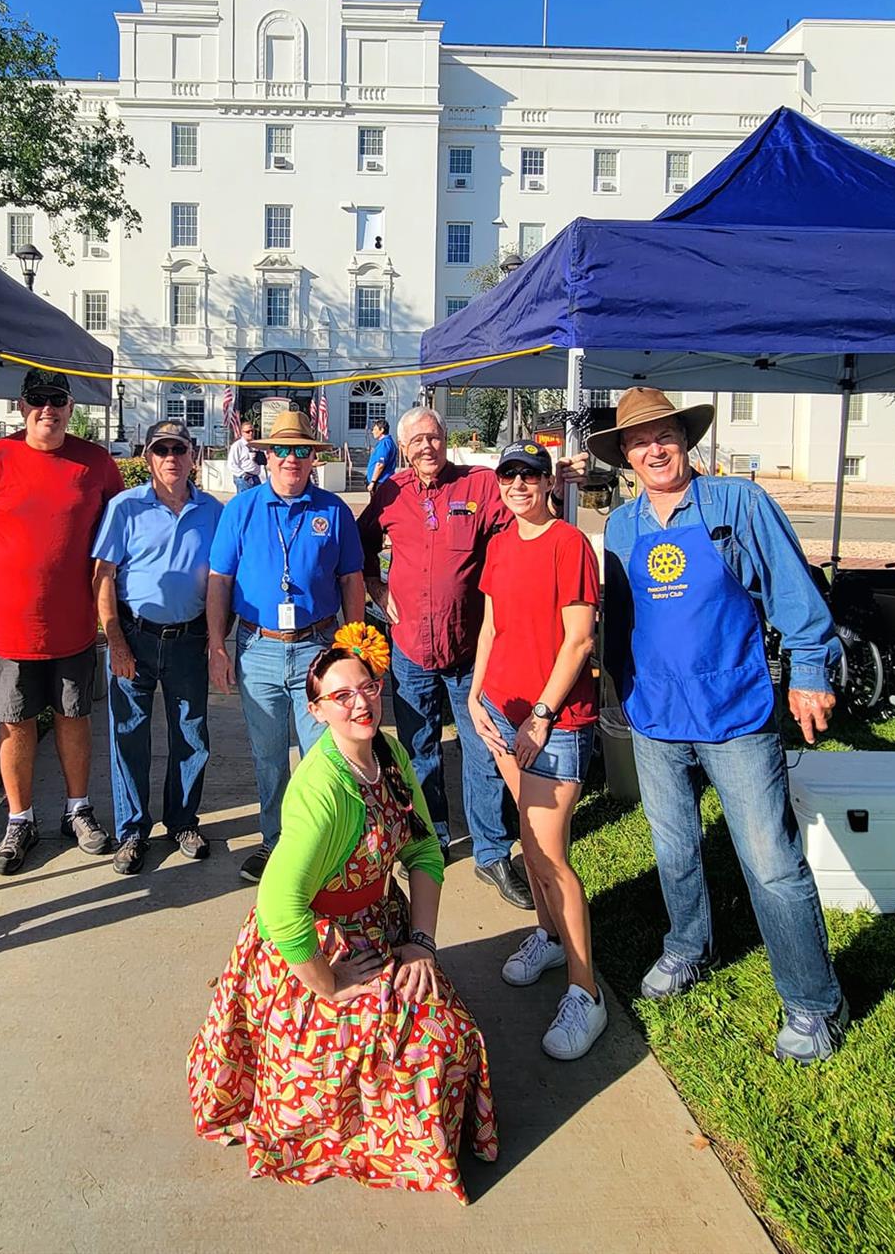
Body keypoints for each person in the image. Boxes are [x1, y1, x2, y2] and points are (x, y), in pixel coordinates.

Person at [187, 623, 497, 1201]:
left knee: (451, 1038)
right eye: (341, 695)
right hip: (315, 945)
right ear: (317, 710)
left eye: (368, 688)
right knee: (418, 1053)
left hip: (381, 925)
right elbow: (279, 904)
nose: (361, 703)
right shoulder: (323, 791)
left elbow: (425, 849)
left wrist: (422, 942)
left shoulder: (390, 752)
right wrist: (328, 986)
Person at [593, 387, 849, 1065]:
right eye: (640, 439)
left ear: (687, 438)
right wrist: (616, 685)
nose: (655, 447)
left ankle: (813, 1001)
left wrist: (810, 668)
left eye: (666, 433)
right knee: (676, 850)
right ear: (624, 454)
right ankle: (687, 946)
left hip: (735, 712)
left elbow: (795, 593)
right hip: (655, 716)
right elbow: (619, 617)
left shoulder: (738, 504)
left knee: (770, 863)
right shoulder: (621, 525)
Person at [357, 404, 533, 911]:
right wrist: (373, 582)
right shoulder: (389, 492)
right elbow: (363, 539)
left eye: (434, 437)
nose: (427, 447)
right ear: (404, 449)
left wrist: (552, 481)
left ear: (445, 438)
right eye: (416, 442)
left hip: (470, 647)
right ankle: (429, 839)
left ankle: (492, 850)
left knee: (484, 747)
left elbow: (518, 526)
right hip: (411, 645)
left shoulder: (477, 486)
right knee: (419, 750)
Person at [0, 367, 124, 874]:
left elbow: (114, 533)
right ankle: (19, 818)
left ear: (72, 408)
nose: (47, 408)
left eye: (57, 399)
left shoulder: (94, 464)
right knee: (15, 722)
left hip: (73, 624)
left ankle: (78, 810)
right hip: (6, 628)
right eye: (37, 399)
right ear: (21, 407)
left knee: (74, 717)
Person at [468, 441, 606, 1060]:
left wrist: (544, 717)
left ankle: (587, 991)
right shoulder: (500, 544)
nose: (519, 485)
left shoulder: (569, 545)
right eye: (510, 475)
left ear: (550, 482)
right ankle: (547, 936)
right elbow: (492, 625)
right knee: (526, 840)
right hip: (502, 710)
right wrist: (475, 694)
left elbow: (578, 642)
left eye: (530, 475)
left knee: (549, 857)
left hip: (553, 722)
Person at [207, 408, 365, 881]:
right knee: (269, 755)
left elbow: (352, 580)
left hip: (318, 647)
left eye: (301, 451)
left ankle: (324, 845)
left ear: (312, 459)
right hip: (259, 648)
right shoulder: (242, 509)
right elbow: (219, 580)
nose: (290, 459)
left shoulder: (332, 511)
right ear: (267, 456)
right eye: (281, 450)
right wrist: (218, 645)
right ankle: (276, 843)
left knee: (323, 755)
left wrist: (352, 648)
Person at [93, 421, 222, 874]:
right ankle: (131, 831)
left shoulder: (213, 510)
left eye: (179, 448)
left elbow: (222, 581)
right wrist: (116, 642)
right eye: (161, 449)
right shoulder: (124, 508)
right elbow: (103, 578)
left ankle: (183, 820)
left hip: (189, 640)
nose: (171, 457)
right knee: (130, 736)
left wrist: (218, 642)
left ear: (194, 454)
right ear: (148, 458)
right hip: (135, 637)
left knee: (191, 735)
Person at [227, 423, 264, 493]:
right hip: (243, 478)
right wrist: (243, 475)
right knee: (245, 501)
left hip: (255, 476)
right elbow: (231, 464)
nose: (251, 433)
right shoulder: (237, 446)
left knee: (257, 500)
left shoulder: (257, 445)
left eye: (252, 431)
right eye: (248, 431)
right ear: (242, 433)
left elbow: (264, 460)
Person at [364, 417, 398, 486]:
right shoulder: (385, 443)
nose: (372, 431)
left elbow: (380, 464)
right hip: (380, 481)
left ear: (381, 430)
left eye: (375, 429)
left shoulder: (385, 443)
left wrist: (373, 482)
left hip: (380, 482)